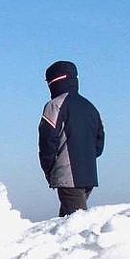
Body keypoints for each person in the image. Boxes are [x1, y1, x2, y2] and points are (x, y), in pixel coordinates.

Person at [38, 60, 105, 217]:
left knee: (76, 224)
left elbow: (47, 141)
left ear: (52, 81)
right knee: (66, 224)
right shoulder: (91, 107)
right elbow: (99, 144)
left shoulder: (54, 105)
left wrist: (49, 169)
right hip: (88, 174)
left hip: (67, 175)